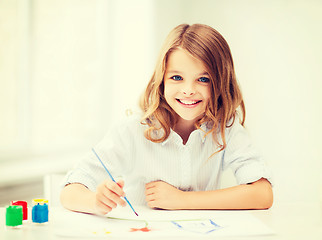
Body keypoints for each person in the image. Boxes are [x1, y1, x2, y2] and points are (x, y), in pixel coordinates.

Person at [60, 23, 273, 215]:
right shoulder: (133, 129)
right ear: (161, 80)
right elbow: (69, 191)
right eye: (177, 77)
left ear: (220, 83)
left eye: (203, 79)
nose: (188, 90)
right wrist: (95, 201)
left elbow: (263, 194)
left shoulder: (225, 126)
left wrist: (182, 200)